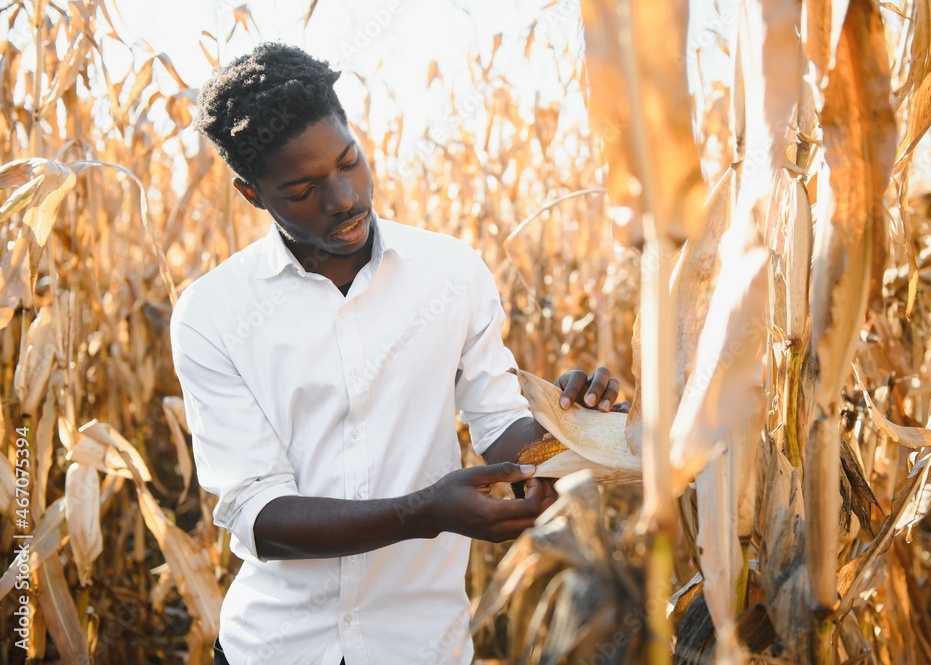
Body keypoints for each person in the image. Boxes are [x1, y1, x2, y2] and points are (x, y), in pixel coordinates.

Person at [170, 42, 621, 665]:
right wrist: (422, 513)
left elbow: (500, 428)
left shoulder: (451, 273)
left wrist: (575, 428)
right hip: (277, 648)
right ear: (253, 194)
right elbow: (258, 516)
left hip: (423, 647)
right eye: (302, 189)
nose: (343, 198)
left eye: (349, 162)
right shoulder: (212, 312)